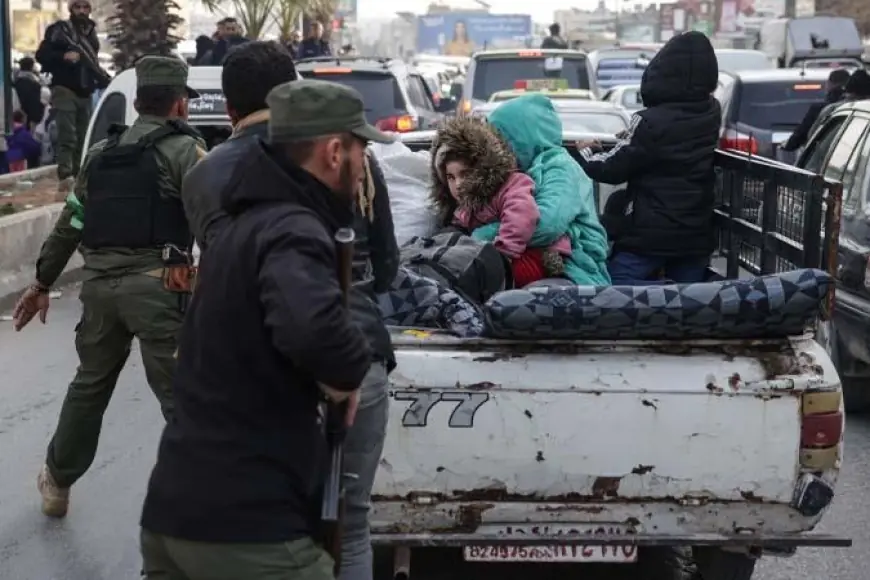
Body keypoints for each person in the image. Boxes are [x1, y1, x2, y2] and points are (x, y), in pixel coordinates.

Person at [139, 78, 395, 579]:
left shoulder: (239, 225)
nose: (365, 164)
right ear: (334, 152)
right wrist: (346, 375)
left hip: (174, 517)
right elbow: (314, 329)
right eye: (362, 149)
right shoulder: (292, 228)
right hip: (249, 532)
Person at [11, 56, 207, 519]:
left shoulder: (100, 155)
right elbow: (215, 220)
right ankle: (207, 494)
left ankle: (57, 484)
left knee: (90, 385)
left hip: (99, 292)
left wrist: (40, 283)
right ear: (180, 104)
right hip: (161, 289)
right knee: (183, 395)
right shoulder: (186, 153)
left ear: (137, 102)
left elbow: (71, 223)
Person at [575, 31, 720, 285]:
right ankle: (676, 300)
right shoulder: (711, 112)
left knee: (616, 282)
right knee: (692, 298)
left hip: (652, 233)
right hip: (696, 230)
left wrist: (583, 153)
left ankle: (664, 292)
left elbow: (613, 168)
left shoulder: (649, 122)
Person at [477, 94, 611, 286]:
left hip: (574, 274)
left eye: (501, 138)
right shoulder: (519, 170)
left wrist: (482, 235)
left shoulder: (560, 168)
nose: (497, 149)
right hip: (532, 262)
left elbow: (546, 224)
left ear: (522, 137)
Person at [430, 115, 571, 287]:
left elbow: (522, 217)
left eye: (465, 174)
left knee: (472, 279)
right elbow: (458, 228)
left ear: (481, 168)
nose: (458, 184)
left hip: (532, 254)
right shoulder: (465, 205)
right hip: (498, 255)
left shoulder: (511, 184)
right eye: (451, 177)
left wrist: (500, 256)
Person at [35, 0, 108, 199]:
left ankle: (79, 174)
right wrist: (63, 56)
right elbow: (41, 55)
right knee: (68, 135)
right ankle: (66, 175)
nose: (82, 11)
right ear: (71, 9)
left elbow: (92, 62)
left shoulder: (91, 32)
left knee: (84, 135)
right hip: (65, 88)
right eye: (78, 7)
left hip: (85, 91)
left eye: (85, 7)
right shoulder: (59, 30)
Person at [781, 68, 850, 153]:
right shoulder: (856, 105)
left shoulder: (823, 109)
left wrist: (787, 145)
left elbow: (802, 133)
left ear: (829, 84)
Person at [13, 57, 45, 134]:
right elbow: (34, 102)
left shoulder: (16, 81)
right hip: (29, 118)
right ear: (31, 67)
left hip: (18, 114)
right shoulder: (34, 83)